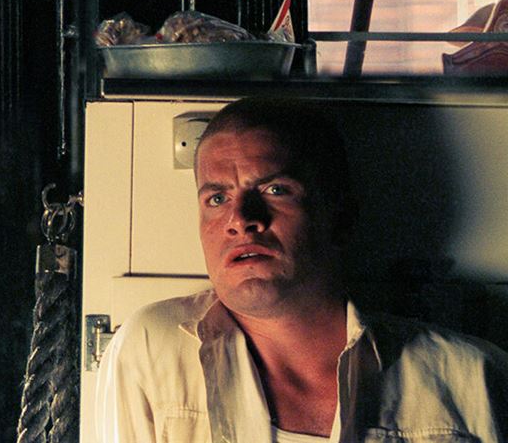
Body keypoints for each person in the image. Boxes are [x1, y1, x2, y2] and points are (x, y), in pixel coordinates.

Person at [96, 98, 508, 443]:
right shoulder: (153, 350)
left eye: (276, 190)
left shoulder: (472, 380)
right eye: (217, 199)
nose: (240, 219)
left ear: (340, 219)